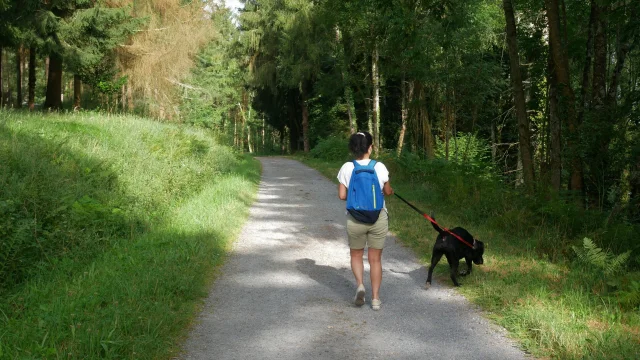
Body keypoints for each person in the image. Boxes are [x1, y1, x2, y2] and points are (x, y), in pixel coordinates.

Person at [337, 131, 393, 310]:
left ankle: (360, 285)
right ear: (370, 147)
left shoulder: (347, 167)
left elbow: (341, 195)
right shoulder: (380, 167)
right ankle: (375, 299)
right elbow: (388, 191)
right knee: (375, 259)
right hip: (378, 217)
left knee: (356, 255)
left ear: (353, 148)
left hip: (355, 218)